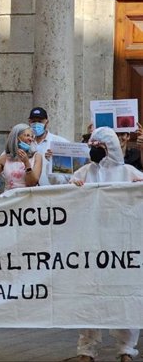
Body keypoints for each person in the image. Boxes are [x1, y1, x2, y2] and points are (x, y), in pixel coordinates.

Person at [69, 126, 143, 362]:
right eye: (91, 147)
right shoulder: (83, 173)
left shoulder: (129, 173)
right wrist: (73, 190)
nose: (94, 151)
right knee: (89, 296)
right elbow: (66, 197)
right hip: (91, 246)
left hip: (122, 246)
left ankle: (126, 349)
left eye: (98, 147)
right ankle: (86, 348)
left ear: (109, 148)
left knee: (125, 296)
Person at [27, 107, 70, 185]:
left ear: (46, 122)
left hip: (51, 191)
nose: (36, 124)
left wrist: (56, 161)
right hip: (29, 190)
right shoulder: (25, 142)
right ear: (29, 122)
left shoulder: (60, 143)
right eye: (33, 121)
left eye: (40, 121)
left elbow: (69, 172)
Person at [0, 124, 43, 190]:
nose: (30, 139)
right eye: (27, 135)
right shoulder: (4, 158)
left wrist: (26, 163)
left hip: (28, 198)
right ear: (16, 137)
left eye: (32, 136)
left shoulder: (37, 157)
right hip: (10, 198)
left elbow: (32, 183)